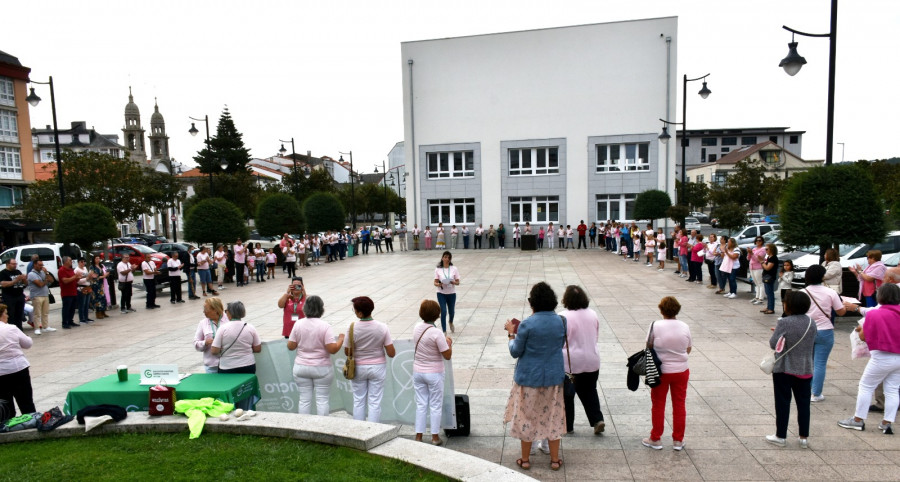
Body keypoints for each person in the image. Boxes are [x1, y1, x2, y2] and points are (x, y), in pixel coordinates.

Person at [503, 282, 567, 471]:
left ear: (533, 303)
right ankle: (555, 460)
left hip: (529, 378)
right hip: (554, 377)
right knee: (553, 417)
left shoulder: (527, 324)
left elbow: (515, 352)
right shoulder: (561, 321)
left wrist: (510, 334)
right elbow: (560, 344)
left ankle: (525, 460)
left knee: (527, 417)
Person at [838, 284, 900, 434]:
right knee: (892, 389)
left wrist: (860, 330)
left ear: (880, 296)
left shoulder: (874, 314)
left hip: (881, 356)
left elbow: (863, 336)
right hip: (898, 357)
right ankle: (887, 423)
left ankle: (858, 420)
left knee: (866, 386)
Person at [766, 291, 816, 448]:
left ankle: (781, 435)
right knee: (804, 403)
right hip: (805, 367)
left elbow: (774, 344)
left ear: (789, 305)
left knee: (783, 402)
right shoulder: (811, 322)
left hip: (785, 368)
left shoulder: (784, 322)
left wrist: (778, 335)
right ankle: (803, 437)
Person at [643, 296, 692, 451]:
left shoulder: (655, 325)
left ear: (661, 310)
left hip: (660, 371)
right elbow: (688, 348)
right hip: (681, 370)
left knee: (658, 404)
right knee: (679, 404)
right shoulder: (684, 326)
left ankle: (655, 438)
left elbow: (648, 346)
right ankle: (678, 440)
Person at [287, 295, 345, 416]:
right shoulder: (325, 326)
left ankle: (304, 427)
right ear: (321, 309)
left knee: (304, 399)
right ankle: (321, 428)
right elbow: (332, 349)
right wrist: (340, 339)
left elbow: (291, 346)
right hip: (321, 368)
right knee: (322, 400)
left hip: (301, 367)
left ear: (305, 308)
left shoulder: (298, 324)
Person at [560, 285, 605, 435]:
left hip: (571, 363)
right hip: (592, 359)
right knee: (590, 390)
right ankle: (597, 419)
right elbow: (596, 335)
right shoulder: (592, 314)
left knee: (567, 395)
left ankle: (568, 426)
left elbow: (560, 341)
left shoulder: (563, 316)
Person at [344, 296, 396, 422]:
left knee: (358, 399)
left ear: (360, 313)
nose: (354, 312)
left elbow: (347, 351)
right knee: (375, 401)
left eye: (354, 310)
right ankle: (374, 430)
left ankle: (359, 430)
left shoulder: (352, 328)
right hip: (378, 367)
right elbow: (391, 353)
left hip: (358, 368)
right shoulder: (382, 327)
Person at [802, 264, 847, 402]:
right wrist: (845, 305)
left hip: (806, 329)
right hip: (825, 330)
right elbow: (840, 311)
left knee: (808, 361)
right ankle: (816, 394)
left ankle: (805, 390)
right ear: (822, 277)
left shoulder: (802, 292)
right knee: (820, 363)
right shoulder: (830, 292)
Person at [412, 299, 453, 444]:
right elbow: (446, 355)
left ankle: (419, 435)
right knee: (435, 405)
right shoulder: (436, 333)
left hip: (418, 371)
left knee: (421, 404)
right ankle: (435, 437)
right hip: (434, 372)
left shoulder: (416, 328)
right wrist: (449, 343)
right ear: (437, 315)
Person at [0, 304, 37, 417]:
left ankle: (8, 428)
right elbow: (27, 343)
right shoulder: (11, 328)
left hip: (1, 373)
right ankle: (31, 424)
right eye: (6, 313)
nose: (7, 316)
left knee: (6, 405)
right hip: (18, 369)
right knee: (26, 402)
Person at [211, 301, 261, 374]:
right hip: (248, 364)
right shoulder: (250, 327)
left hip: (227, 366)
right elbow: (257, 348)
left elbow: (214, 351)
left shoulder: (222, 328)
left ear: (229, 313)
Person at [193, 297, 228, 373]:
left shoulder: (228, 320)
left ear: (215, 310)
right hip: (212, 365)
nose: (203, 311)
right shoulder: (203, 323)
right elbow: (196, 343)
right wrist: (205, 342)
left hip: (228, 363)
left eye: (206, 309)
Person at [433, 251, 460, 333]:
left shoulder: (454, 268)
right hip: (441, 293)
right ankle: (444, 331)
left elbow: (458, 282)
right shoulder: (438, 269)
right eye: (445, 257)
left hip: (451, 293)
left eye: (448, 257)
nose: (447, 259)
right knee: (443, 311)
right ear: (442, 258)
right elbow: (435, 282)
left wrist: (453, 282)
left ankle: (451, 321)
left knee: (452, 311)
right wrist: (439, 284)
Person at [26, 260, 55, 334]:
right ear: (35, 265)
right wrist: (46, 280)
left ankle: (45, 326)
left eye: (42, 265)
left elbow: (51, 280)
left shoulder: (42, 272)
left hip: (45, 294)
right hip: (36, 295)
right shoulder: (31, 274)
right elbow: (40, 284)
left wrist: (47, 273)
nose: (41, 266)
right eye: (39, 265)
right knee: (37, 313)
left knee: (45, 312)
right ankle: (37, 328)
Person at [0, 258, 27, 331]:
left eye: (16, 264)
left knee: (19, 315)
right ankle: (11, 331)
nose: (15, 266)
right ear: (8, 264)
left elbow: (25, 284)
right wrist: (16, 280)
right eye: (13, 264)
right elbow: (4, 284)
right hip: (9, 297)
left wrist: (24, 279)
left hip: (19, 296)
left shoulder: (18, 271)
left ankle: (20, 331)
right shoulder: (3, 273)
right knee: (11, 315)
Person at [58, 257, 80, 329]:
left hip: (73, 291)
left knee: (72, 308)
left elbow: (74, 279)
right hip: (66, 293)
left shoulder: (71, 270)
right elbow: (65, 280)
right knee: (66, 308)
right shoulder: (62, 270)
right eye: (70, 260)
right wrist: (75, 277)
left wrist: (77, 277)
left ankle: (70, 320)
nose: (71, 262)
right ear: (65, 262)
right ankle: (65, 322)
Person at [761, 243, 780, 315]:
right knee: (767, 292)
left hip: (770, 277)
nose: (766, 250)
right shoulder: (769, 257)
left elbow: (767, 268)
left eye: (767, 249)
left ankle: (771, 308)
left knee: (770, 293)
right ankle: (768, 307)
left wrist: (762, 262)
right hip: (767, 276)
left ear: (771, 249)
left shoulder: (773, 258)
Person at [748, 237, 767, 305]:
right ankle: (757, 297)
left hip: (758, 267)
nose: (758, 242)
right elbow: (748, 258)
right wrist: (749, 253)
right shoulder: (754, 249)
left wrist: (752, 254)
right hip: (752, 267)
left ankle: (761, 298)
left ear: (762, 241)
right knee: (756, 283)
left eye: (760, 240)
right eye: (757, 240)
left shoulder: (763, 250)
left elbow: (758, 259)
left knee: (760, 283)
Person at [75, 258, 93, 323]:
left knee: (87, 304)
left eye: (84, 262)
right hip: (81, 288)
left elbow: (87, 276)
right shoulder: (77, 270)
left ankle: (86, 317)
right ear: (78, 262)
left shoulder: (85, 268)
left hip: (87, 286)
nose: (83, 263)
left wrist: (89, 278)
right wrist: (86, 278)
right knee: (82, 304)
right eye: (81, 262)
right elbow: (78, 281)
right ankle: (81, 318)